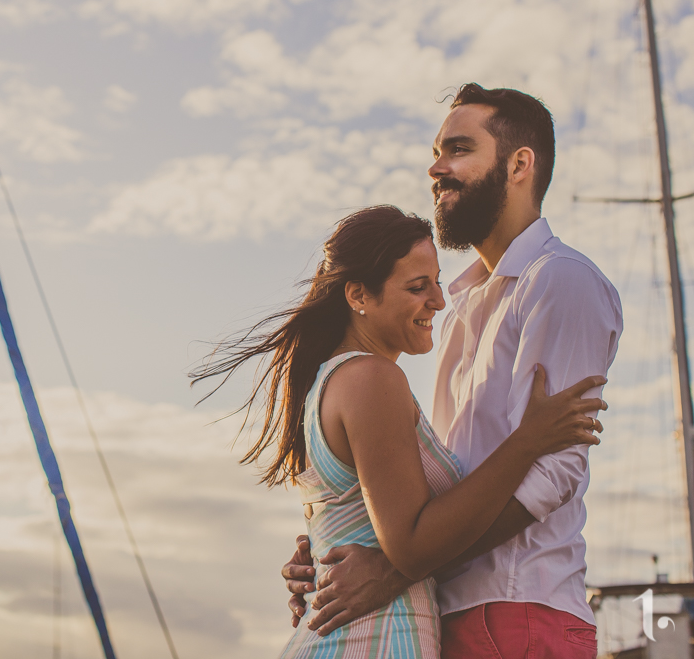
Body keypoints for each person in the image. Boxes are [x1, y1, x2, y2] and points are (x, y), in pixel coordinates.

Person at [282, 84, 623, 658]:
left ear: (519, 165)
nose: (437, 168)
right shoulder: (462, 304)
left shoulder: (559, 280)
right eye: (437, 152)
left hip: (517, 610)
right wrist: (337, 543)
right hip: (448, 614)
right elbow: (432, 489)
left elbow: (553, 473)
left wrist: (389, 569)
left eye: (460, 149)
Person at [193, 204, 607, 658]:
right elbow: (411, 547)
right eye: (417, 287)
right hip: (374, 641)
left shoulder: (333, 382)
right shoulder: (373, 379)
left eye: (435, 280)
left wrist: (316, 554)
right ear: (358, 297)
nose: (438, 299)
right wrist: (528, 440)